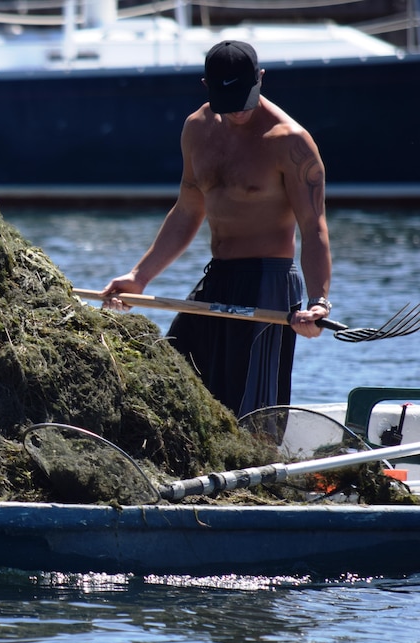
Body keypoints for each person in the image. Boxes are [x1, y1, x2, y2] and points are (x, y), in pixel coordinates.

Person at [100, 40, 332, 417]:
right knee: (172, 377)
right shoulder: (197, 128)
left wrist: (318, 302)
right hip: (219, 276)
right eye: (229, 100)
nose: (239, 110)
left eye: (245, 96)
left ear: (260, 78)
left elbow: (314, 229)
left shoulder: (290, 142)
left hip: (268, 285)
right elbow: (188, 210)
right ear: (207, 85)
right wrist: (139, 277)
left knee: (250, 414)